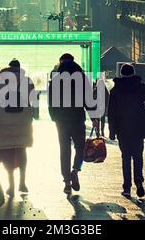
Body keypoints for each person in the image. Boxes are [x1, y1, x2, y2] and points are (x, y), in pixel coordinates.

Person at [48, 54, 98, 195]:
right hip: (77, 118)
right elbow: (88, 99)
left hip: (61, 120)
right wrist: (93, 117)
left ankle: (67, 182)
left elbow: (51, 101)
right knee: (80, 147)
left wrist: (54, 116)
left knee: (64, 150)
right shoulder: (81, 78)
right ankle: (75, 170)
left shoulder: (56, 79)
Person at [108, 63, 145, 199]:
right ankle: (138, 178)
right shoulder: (139, 86)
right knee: (138, 156)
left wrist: (112, 130)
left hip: (122, 128)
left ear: (121, 74)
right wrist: (142, 83)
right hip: (138, 127)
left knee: (126, 158)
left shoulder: (115, 90)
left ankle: (127, 187)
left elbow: (111, 113)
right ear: (133, 73)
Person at [0, 60, 35, 196]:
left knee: (8, 152)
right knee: (21, 150)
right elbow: (32, 98)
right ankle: (22, 182)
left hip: (5, 120)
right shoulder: (27, 81)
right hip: (23, 119)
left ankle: (11, 185)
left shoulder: (2, 81)